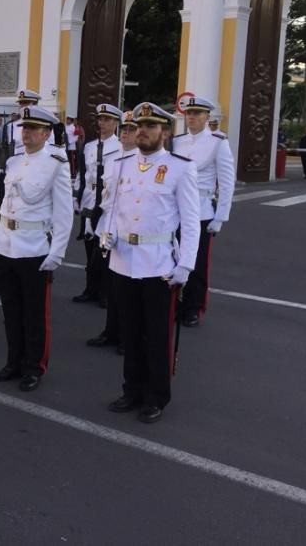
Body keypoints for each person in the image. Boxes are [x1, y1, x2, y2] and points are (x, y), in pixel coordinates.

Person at [98, 101, 199, 424]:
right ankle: (132, 390)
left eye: (151, 126)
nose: (142, 131)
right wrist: (107, 234)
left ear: (165, 132)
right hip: (123, 260)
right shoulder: (122, 164)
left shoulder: (181, 167)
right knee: (130, 332)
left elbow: (191, 221)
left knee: (155, 335)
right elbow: (112, 208)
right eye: (139, 125)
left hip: (158, 265)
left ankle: (156, 396)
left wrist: (185, 265)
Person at [0, 106, 72, 392]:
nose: (27, 133)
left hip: (34, 248)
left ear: (47, 133)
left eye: (34, 128)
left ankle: (34, 366)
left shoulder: (56, 163)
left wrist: (56, 252)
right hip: (5, 244)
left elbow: (63, 213)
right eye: (24, 128)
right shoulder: (12, 162)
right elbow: (2, 201)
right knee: (11, 310)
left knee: (35, 314)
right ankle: (13, 362)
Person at [172, 97, 235, 327]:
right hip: (176, 210)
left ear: (208, 117)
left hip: (201, 210)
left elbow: (227, 182)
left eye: (197, 114)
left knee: (197, 264)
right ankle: (174, 305)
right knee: (174, 259)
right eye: (189, 113)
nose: (192, 117)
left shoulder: (218, 142)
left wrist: (220, 217)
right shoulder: (177, 142)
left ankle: (193, 308)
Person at [87, 109, 138, 353]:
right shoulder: (115, 159)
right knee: (112, 284)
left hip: (131, 232)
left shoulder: (142, 162)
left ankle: (128, 337)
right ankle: (111, 331)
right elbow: (107, 195)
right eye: (125, 130)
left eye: (131, 130)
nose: (126, 134)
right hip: (109, 225)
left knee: (129, 292)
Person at [73, 104, 122, 308]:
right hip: (88, 198)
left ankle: (105, 292)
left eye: (107, 120)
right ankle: (90, 288)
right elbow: (83, 174)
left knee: (104, 249)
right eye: (100, 119)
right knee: (89, 245)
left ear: (116, 123)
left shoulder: (120, 146)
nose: (102, 124)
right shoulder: (90, 146)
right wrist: (77, 195)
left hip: (107, 201)